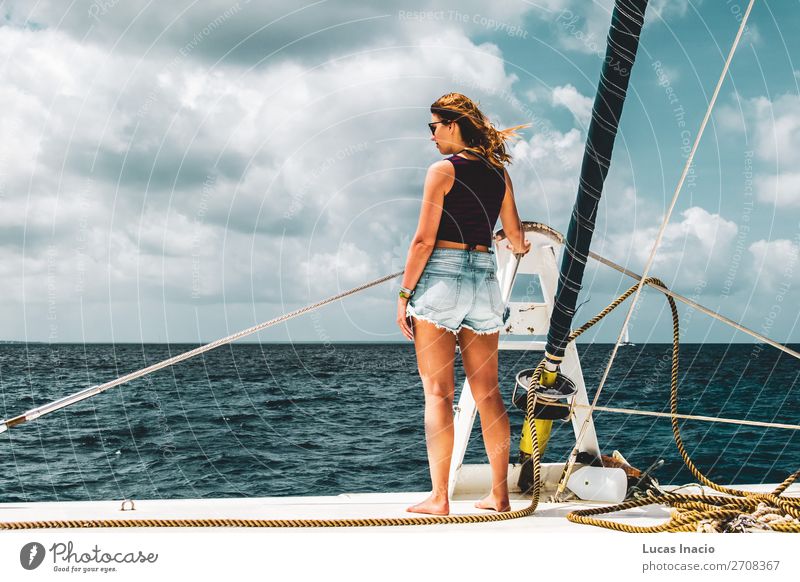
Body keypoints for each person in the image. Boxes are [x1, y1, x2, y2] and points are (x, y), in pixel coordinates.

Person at [397, 92, 531, 516]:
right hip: (484, 279)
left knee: (438, 392)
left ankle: (440, 498)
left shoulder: (442, 171)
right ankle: (500, 495)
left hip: (441, 278)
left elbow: (423, 242)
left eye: (433, 127)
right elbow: (517, 239)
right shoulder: (499, 174)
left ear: (453, 125)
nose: (432, 136)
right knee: (488, 392)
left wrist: (403, 297)